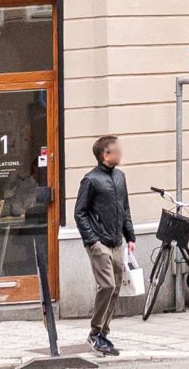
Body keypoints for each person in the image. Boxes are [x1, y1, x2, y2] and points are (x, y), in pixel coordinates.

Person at [72, 135, 131, 357]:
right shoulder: (90, 180)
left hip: (117, 241)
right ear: (106, 155)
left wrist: (130, 236)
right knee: (107, 285)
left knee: (115, 288)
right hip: (99, 243)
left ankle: (103, 334)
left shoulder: (120, 177)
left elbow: (125, 208)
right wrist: (92, 241)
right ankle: (95, 332)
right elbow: (80, 213)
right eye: (117, 150)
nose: (121, 153)